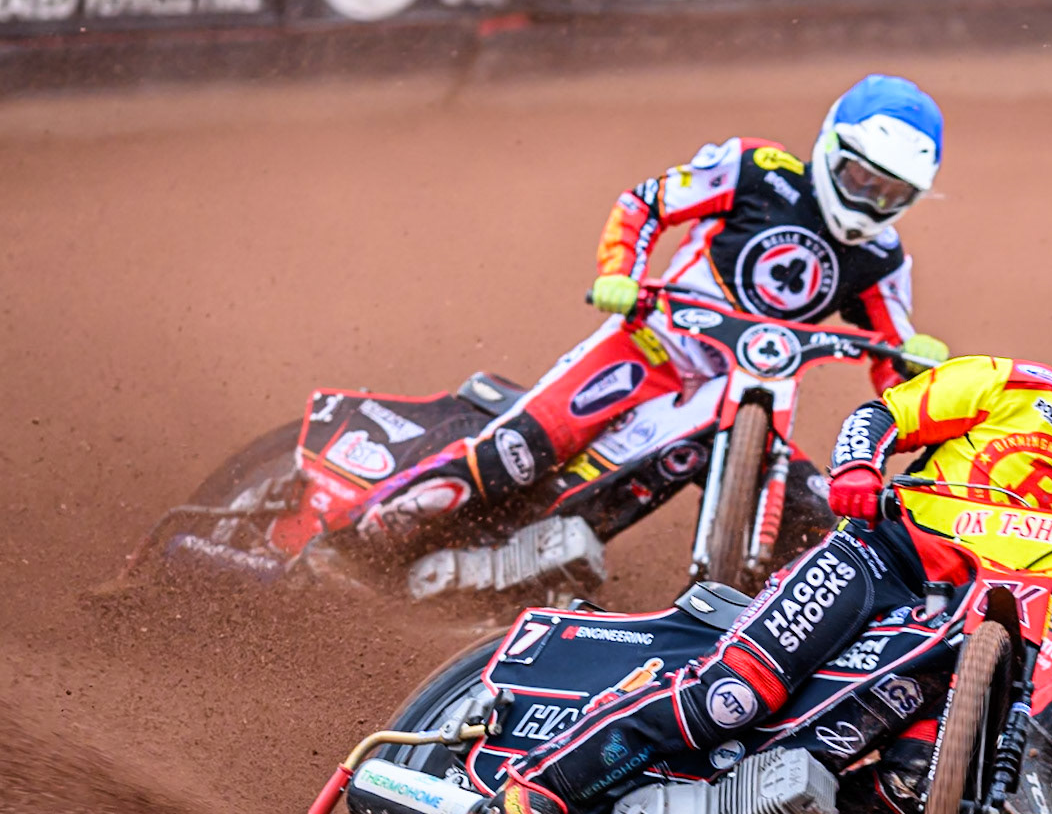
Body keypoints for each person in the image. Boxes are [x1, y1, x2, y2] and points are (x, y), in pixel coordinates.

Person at [474, 300, 1052, 814]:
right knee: (733, 696)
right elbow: (881, 416)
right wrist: (856, 470)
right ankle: (540, 788)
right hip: (878, 562)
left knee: (914, 788)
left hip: (971, 639)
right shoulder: (1002, 386)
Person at [351, 74, 951, 543]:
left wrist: (919, 368)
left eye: (892, 193)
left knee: (817, 524)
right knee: (520, 450)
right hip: (652, 345)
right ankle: (356, 534)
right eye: (860, 177)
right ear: (830, 145)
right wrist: (620, 276)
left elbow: (892, 354)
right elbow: (647, 203)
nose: (870, 201)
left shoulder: (882, 259)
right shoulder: (756, 170)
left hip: (746, 400)